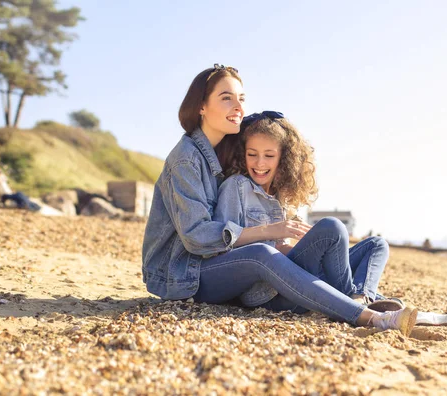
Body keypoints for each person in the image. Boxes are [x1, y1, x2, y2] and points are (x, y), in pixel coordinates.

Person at [141, 64, 418, 335]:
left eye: (241, 99)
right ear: (201, 106)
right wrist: (272, 231)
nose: (238, 107)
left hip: (218, 269)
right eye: (226, 98)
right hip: (183, 275)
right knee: (262, 254)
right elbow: (196, 237)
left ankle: (357, 298)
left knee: (354, 237)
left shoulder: (218, 155)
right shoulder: (186, 159)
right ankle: (369, 316)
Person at [213, 111, 398, 314]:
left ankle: (361, 297)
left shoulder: (279, 195)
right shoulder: (236, 187)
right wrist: (276, 235)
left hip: (300, 275)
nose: (260, 163)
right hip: (270, 291)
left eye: (269, 155)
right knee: (332, 227)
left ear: (283, 158)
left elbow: (284, 247)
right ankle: (353, 302)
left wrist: (305, 244)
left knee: (376, 244)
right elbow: (222, 244)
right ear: (243, 154)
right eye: (252, 154)